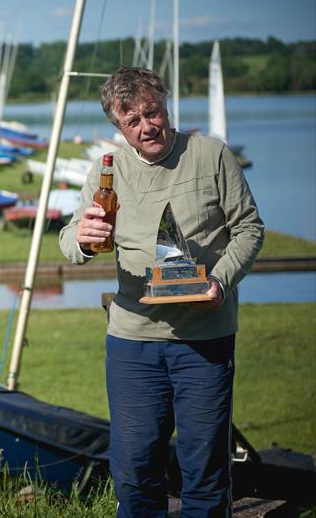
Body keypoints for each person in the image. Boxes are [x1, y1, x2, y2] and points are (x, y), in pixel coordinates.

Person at [59, 67, 264, 516]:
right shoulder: (107, 170)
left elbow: (249, 228)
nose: (147, 126)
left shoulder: (210, 154)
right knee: (134, 471)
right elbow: (72, 241)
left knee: (206, 470)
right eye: (132, 121)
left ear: (165, 106)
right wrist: (83, 237)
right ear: (119, 128)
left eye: (152, 112)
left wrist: (220, 280)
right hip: (133, 343)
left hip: (204, 339)